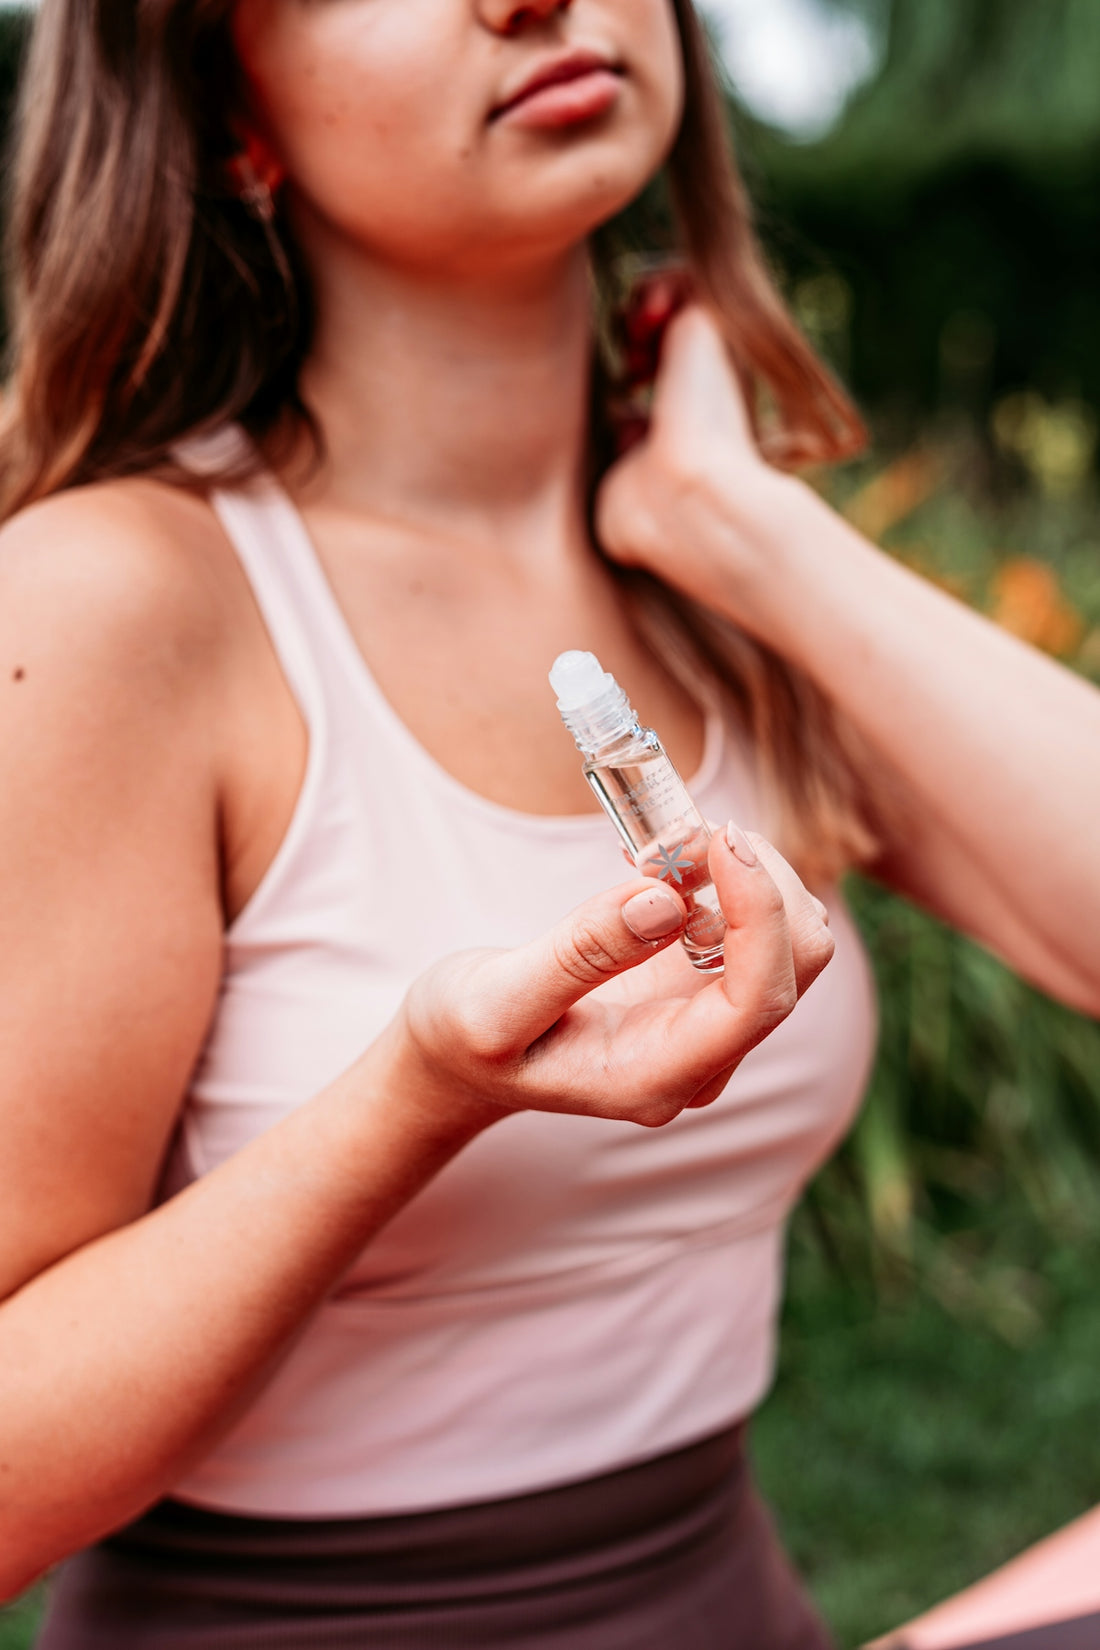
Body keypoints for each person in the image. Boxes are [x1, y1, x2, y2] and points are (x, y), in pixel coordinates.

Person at [1, 1, 1098, 1646]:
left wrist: (737, 524)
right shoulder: (113, 601)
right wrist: (412, 1102)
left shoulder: (723, 584)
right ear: (231, 117)